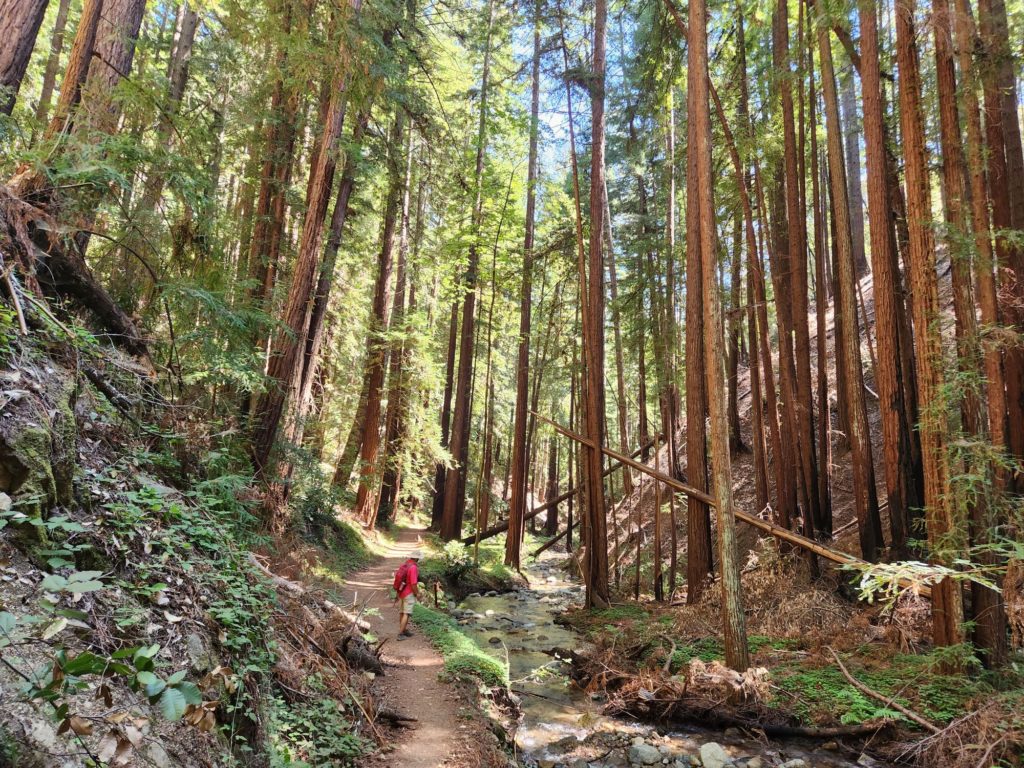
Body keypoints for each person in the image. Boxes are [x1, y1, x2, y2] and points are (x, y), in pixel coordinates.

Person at [394, 550, 421, 639]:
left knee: (402, 612)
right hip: (409, 593)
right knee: (407, 613)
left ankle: (404, 630)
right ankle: (400, 634)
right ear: (417, 558)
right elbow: (413, 583)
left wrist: (398, 592)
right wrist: (417, 594)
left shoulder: (405, 565)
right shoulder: (413, 567)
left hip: (401, 592)